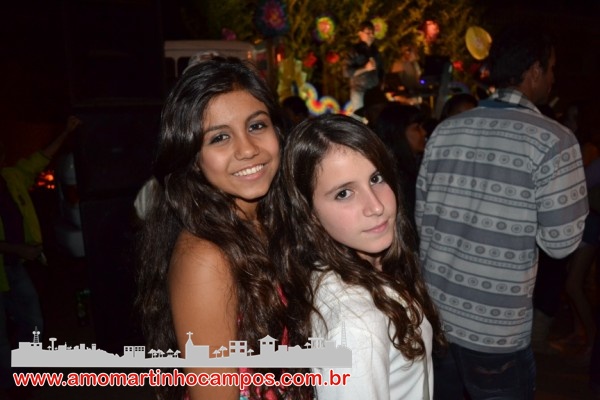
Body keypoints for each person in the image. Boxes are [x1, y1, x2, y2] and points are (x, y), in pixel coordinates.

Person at [415, 24, 588, 399]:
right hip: (495, 332)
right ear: (534, 71)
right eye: (551, 69)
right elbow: (561, 243)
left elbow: (423, 220)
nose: (553, 79)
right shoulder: (554, 140)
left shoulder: (444, 132)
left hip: (436, 318)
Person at [136, 57, 310, 400]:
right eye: (219, 137)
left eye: (256, 126)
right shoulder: (206, 257)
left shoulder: (270, 221)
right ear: (192, 157)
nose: (247, 149)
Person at [270, 114, 445, 399]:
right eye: (344, 193)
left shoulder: (364, 267)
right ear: (308, 213)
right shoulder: (356, 324)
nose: (375, 206)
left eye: (376, 178)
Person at [0, 115, 81, 394]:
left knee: (33, 322)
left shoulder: (11, 177)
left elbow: (40, 158)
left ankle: (22, 374)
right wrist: (17, 248)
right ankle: (12, 387)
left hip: (15, 267)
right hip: (11, 262)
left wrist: (66, 131)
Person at [372, 103, 427, 231]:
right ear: (399, 133)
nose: (424, 132)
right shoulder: (396, 176)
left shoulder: (414, 164)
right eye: (417, 128)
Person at [343, 20, 384, 115]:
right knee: (359, 118)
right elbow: (346, 72)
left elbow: (381, 69)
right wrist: (365, 68)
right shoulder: (353, 51)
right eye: (368, 33)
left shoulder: (375, 51)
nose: (371, 35)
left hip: (374, 91)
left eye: (373, 33)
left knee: (376, 117)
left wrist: (382, 83)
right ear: (360, 33)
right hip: (359, 91)